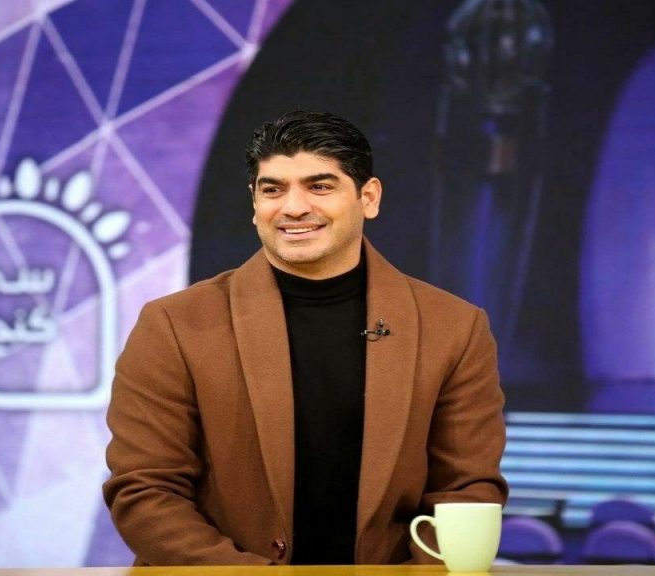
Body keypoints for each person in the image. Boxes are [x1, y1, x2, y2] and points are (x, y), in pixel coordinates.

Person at [103, 110, 508, 566]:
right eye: (272, 189)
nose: (293, 207)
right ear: (254, 202)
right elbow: (145, 490)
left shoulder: (453, 327)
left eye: (319, 186)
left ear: (369, 198)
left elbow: (465, 490)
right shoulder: (173, 325)